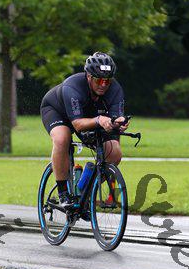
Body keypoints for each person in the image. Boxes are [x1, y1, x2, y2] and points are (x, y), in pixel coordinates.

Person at [40, 51, 130, 208]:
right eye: (99, 80)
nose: (103, 85)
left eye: (107, 81)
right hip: (57, 111)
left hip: (89, 116)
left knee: (114, 153)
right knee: (62, 138)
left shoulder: (115, 89)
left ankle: (84, 191)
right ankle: (63, 193)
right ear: (89, 76)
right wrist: (99, 120)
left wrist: (119, 123)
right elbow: (78, 124)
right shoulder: (73, 87)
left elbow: (115, 117)